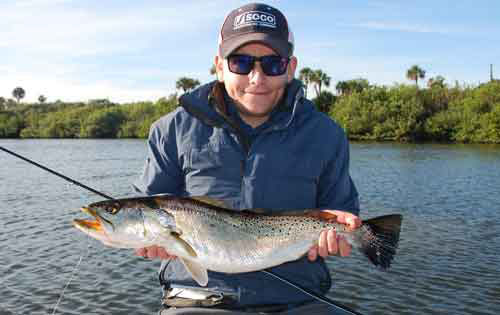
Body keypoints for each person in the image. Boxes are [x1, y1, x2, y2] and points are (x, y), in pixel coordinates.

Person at [133, 3, 361, 314]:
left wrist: (342, 230)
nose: (257, 78)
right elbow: (147, 207)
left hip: (300, 300)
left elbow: (342, 211)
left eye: (272, 64)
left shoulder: (327, 134)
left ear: (291, 67)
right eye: (241, 63)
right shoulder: (170, 130)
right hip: (199, 298)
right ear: (220, 65)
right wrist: (150, 242)